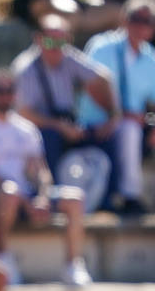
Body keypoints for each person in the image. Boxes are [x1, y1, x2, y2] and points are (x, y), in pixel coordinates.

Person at [0, 67, 92, 286]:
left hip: (24, 196)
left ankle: (73, 264)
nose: (5, 95)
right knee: (9, 193)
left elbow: (39, 169)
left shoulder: (26, 129)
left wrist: (41, 196)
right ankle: (3, 258)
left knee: (74, 197)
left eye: (9, 90)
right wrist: (26, 201)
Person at [79, 0, 155, 215]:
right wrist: (119, 114)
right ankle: (130, 196)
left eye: (147, 21)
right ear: (124, 19)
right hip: (98, 121)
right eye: (136, 19)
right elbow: (91, 87)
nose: (141, 25)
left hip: (136, 123)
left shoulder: (153, 58)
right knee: (129, 128)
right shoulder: (101, 47)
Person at [11, 14, 122, 202]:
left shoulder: (69, 57)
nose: (55, 48)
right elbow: (24, 114)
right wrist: (59, 126)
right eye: (49, 42)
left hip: (69, 125)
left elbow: (104, 78)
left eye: (60, 42)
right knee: (48, 138)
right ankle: (53, 198)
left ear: (68, 41)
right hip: (40, 130)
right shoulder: (25, 68)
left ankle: (110, 201)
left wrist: (112, 117)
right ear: (38, 40)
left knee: (109, 136)